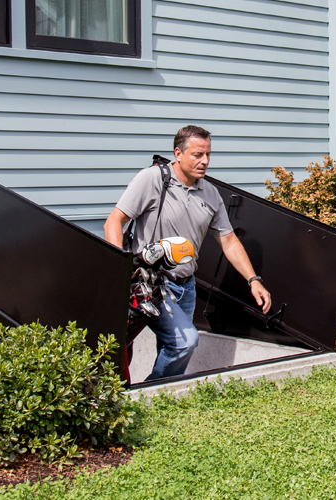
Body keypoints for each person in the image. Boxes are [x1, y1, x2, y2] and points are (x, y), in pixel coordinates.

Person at [104, 125, 271, 380]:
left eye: (208, 155)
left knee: (171, 347)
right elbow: (113, 222)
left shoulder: (210, 193)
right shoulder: (153, 180)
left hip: (187, 286)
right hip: (151, 285)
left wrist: (253, 279)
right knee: (184, 342)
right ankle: (154, 394)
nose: (204, 161)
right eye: (197, 155)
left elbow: (229, 241)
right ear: (178, 153)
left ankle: (160, 396)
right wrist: (119, 273)